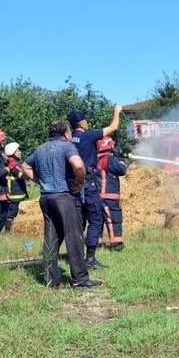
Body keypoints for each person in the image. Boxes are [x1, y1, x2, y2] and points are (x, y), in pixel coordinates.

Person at [21, 120, 100, 287]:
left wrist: (42, 181)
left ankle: (51, 279)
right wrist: (80, 182)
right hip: (64, 197)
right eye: (70, 133)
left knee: (51, 238)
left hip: (46, 197)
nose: (71, 135)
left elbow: (25, 166)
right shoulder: (67, 146)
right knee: (74, 237)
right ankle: (80, 279)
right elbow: (78, 165)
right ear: (65, 134)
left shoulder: (40, 149)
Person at [68, 105, 122, 270]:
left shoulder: (68, 138)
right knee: (96, 219)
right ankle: (90, 259)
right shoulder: (89, 136)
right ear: (82, 123)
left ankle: (75, 256)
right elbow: (114, 127)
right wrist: (116, 112)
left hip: (72, 185)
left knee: (78, 222)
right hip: (87, 183)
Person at [96, 136, 128, 251]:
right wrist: (121, 158)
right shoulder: (109, 159)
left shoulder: (95, 159)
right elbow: (122, 170)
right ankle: (116, 243)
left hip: (96, 196)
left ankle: (97, 243)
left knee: (97, 220)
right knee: (113, 218)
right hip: (109, 196)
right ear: (110, 147)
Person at [3, 142, 28, 233]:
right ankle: (8, 232)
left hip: (12, 195)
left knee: (11, 214)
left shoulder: (7, 164)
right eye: (18, 151)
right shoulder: (15, 165)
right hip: (15, 195)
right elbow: (24, 176)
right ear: (12, 153)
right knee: (12, 215)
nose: (20, 152)